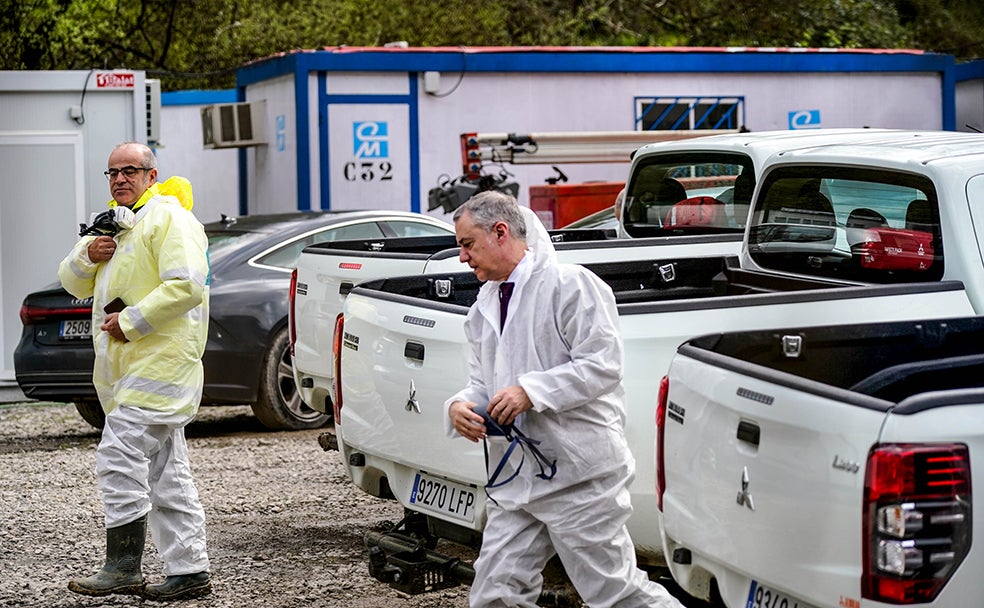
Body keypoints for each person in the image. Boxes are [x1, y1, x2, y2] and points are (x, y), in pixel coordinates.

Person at [444, 191, 683, 607]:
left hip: (578, 476)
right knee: (494, 593)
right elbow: (482, 382)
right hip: (517, 480)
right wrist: (459, 406)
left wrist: (530, 392)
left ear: (500, 232)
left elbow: (603, 365)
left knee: (614, 593)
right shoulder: (484, 306)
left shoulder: (570, 285)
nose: (462, 257)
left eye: (468, 244)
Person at [58, 142, 212, 601]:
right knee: (167, 474)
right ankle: (189, 570)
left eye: (130, 170)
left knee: (118, 455)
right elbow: (70, 281)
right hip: (127, 370)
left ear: (151, 175)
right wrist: (89, 255)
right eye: (113, 172)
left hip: (160, 365)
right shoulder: (114, 224)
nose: (120, 179)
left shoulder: (169, 219)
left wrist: (131, 321)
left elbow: (187, 285)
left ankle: (123, 565)